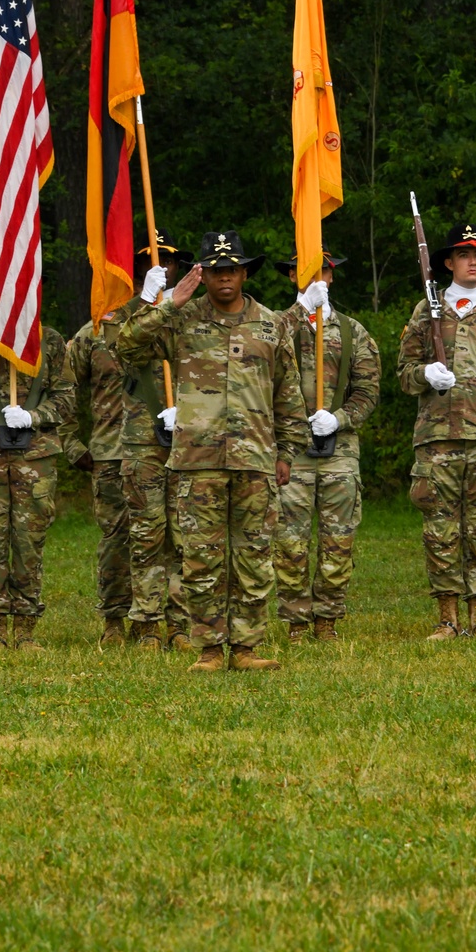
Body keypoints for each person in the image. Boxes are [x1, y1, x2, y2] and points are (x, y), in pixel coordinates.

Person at [116, 229, 307, 672]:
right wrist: (167, 304)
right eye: (217, 270)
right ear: (202, 276)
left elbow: (288, 392)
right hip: (197, 461)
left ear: (244, 273)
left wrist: (288, 452)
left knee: (253, 554)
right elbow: (125, 345)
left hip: (255, 458)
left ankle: (246, 647)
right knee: (201, 556)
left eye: (234, 269)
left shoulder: (270, 323)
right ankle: (207, 649)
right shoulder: (182, 320)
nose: (227, 277)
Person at [397, 223, 476, 640]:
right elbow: (402, 375)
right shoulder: (426, 312)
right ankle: (447, 618)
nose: (473, 261)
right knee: (440, 530)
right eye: (464, 254)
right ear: (449, 263)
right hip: (437, 440)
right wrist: (424, 374)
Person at [272, 247, 381, 642]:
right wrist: (301, 312)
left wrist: (341, 417)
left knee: (339, 539)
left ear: (333, 277)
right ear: (292, 277)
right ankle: (297, 621)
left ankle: (327, 618)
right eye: (307, 272)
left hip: (340, 450)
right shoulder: (277, 325)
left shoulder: (353, 331)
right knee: (289, 539)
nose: (318, 278)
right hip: (291, 450)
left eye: (324, 272)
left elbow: (368, 389)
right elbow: (260, 360)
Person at [0, 320, 84, 649]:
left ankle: (26, 629)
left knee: (29, 541)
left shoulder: (52, 340)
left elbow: (67, 397)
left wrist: (34, 416)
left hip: (36, 451)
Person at [119, 230, 193, 651]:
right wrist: (150, 304)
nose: (161, 269)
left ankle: (180, 625)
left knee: (184, 536)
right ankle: (146, 624)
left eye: (167, 262)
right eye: (151, 263)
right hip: (143, 442)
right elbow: (124, 345)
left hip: (188, 439)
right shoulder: (123, 314)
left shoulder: (192, 314)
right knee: (147, 535)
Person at [67, 293, 133, 645]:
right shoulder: (91, 335)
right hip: (111, 452)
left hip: (168, 450)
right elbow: (62, 387)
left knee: (171, 541)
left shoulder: (173, 326)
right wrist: (70, 443)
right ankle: (114, 621)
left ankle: (168, 623)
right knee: (116, 541)